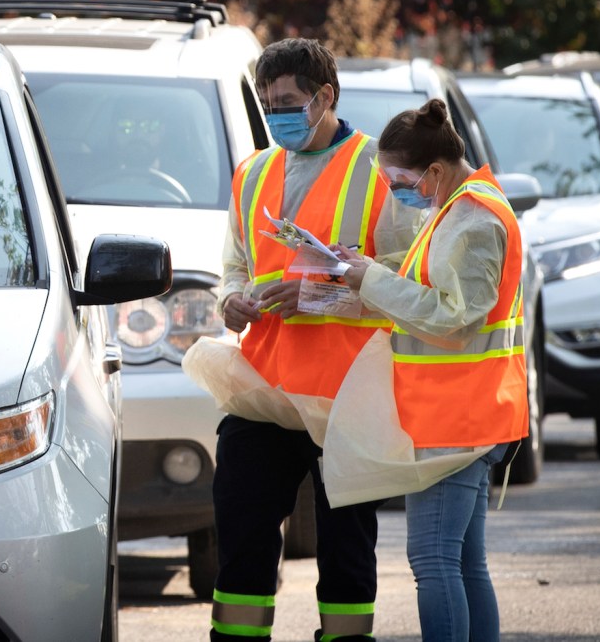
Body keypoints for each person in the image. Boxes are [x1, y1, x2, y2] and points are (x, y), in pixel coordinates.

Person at [213, 37, 406, 642]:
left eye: (288, 103)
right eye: (268, 105)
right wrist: (232, 302)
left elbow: (407, 285)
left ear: (325, 97)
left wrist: (319, 297)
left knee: (347, 555)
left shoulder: (383, 170)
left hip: (347, 394)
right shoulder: (253, 172)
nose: (277, 117)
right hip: (265, 389)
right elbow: (235, 266)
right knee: (241, 538)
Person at [335, 98, 529, 641]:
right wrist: (361, 267)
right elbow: (430, 281)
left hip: (456, 421)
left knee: (433, 561)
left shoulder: (471, 219)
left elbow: (453, 318)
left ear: (435, 171)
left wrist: (367, 280)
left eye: (398, 180)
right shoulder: (458, 207)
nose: (395, 191)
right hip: (464, 412)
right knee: (464, 563)